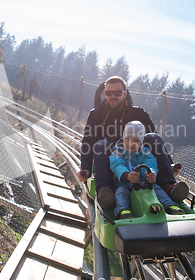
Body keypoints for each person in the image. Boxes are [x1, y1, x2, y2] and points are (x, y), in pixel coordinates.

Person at [77, 76, 188, 210]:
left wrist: (169, 163)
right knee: (100, 144)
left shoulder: (138, 113)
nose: (113, 96)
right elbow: (87, 142)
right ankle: (105, 191)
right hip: (112, 156)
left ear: (125, 94)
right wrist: (86, 169)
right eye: (109, 93)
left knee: (152, 136)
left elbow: (155, 139)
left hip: (137, 154)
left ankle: (168, 185)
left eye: (118, 93)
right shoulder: (96, 114)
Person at [110, 121, 185, 219]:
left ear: (141, 142)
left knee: (157, 189)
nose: (131, 143)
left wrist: (150, 172)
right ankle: (123, 210)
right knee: (120, 193)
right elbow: (117, 165)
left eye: (136, 140)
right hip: (124, 185)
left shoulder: (145, 152)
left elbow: (151, 162)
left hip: (144, 185)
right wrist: (126, 175)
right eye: (128, 139)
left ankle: (170, 205)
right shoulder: (117, 152)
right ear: (123, 138)